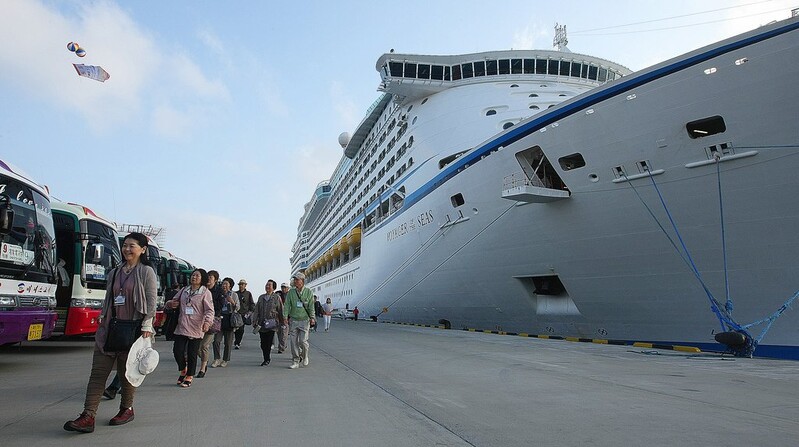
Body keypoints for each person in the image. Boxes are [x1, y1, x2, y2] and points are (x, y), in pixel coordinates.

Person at [64, 232, 157, 433]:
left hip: (134, 330)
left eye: (132, 246)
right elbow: (109, 298)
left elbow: (151, 302)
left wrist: (147, 326)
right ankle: (88, 416)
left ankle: (126, 409)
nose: (127, 249)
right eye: (125, 245)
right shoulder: (115, 272)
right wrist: (103, 315)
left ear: (142, 250)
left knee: (127, 374)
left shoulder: (146, 272)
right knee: (98, 373)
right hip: (110, 328)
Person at [166, 268, 214, 388]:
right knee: (177, 351)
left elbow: (209, 310)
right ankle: (183, 369)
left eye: (197, 276)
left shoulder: (205, 292)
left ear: (202, 279)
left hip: (196, 327)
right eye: (193, 275)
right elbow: (172, 301)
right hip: (182, 325)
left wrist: (207, 323)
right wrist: (170, 304)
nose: (194, 277)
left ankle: (189, 376)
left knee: (192, 353)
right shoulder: (184, 290)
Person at [283, 272, 315, 369]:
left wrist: (312, 317)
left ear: (302, 281)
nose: (295, 281)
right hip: (293, 320)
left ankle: (305, 355)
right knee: (293, 342)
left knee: (303, 341)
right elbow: (287, 305)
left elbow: (311, 306)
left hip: (304, 320)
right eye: (295, 279)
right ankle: (295, 361)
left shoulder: (308, 292)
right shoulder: (291, 292)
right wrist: (285, 317)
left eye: (297, 279)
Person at [251, 279, 285, 366]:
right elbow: (256, 310)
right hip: (262, 323)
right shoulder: (261, 297)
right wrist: (254, 321)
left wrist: (283, 322)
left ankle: (267, 359)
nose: (267, 286)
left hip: (272, 323)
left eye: (269, 285)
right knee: (263, 343)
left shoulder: (277, 297)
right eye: (266, 285)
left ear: (273, 288)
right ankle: (265, 357)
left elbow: (280, 310)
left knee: (269, 341)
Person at [197, 270, 222, 377]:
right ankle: (205, 360)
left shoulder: (219, 291)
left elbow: (220, 306)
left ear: (215, 280)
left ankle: (203, 368)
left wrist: (211, 314)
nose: (208, 279)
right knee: (197, 348)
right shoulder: (201, 290)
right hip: (198, 321)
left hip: (211, 321)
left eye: (211, 277)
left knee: (204, 345)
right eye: (207, 277)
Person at [212, 277, 239, 367]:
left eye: (226, 284)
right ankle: (217, 359)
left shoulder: (234, 295)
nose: (224, 285)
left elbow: (238, 307)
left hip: (229, 319)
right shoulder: (218, 294)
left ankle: (225, 359)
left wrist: (232, 302)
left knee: (228, 342)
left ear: (230, 286)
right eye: (223, 284)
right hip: (219, 319)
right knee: (216, 341)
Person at [233, 279, 254, 349]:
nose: (241, 286)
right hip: (236, 313)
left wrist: (251, 311)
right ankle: (236, 341)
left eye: (242, 284)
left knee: (241, 329)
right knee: (236, 328)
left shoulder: (248, 293)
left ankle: (238, 342)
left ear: (245, 285)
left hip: (244, 314)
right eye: (240, 284)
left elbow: (251, 303)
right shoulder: (235, 293)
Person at [276, 282, 290, 353]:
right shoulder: (278, 294)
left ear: (288, 288)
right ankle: (283, 345)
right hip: (278, 316)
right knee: (279, 332)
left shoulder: (290, 295)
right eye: (282, 287)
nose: (283, 289)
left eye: (285, 287)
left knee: (284, 333)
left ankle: (281, 348)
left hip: (287, 317)